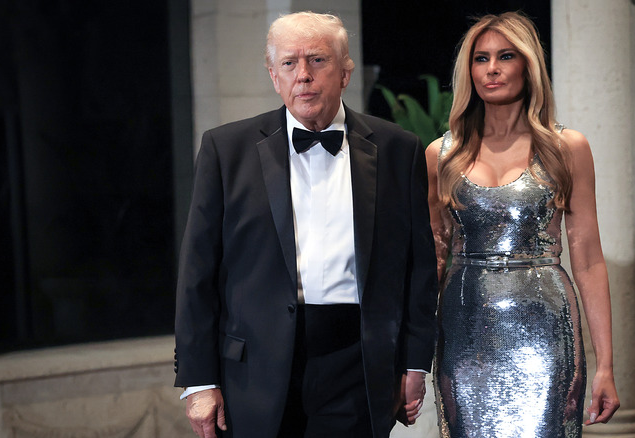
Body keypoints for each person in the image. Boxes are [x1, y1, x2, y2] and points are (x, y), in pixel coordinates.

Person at [174, 11, 438, 438]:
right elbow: (197, 274)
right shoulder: (226, 149)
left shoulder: (398, 149)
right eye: (289, 63)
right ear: (273, 75)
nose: (303, 76)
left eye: (317, 60)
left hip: (358, 365)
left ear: (345, 72)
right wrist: (199, 380)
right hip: (253, 372)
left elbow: (418, 268)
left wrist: (413, 363)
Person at [426, 12, 620, 437]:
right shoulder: (440, 154)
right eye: (481, 58)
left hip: (545, 331)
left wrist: (605, 364)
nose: (492, 68)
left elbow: (587, 259)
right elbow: (434, 259)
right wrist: (410, 361)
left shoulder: (567, 148)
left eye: (506, 56)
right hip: (464, 333)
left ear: (528, 65)